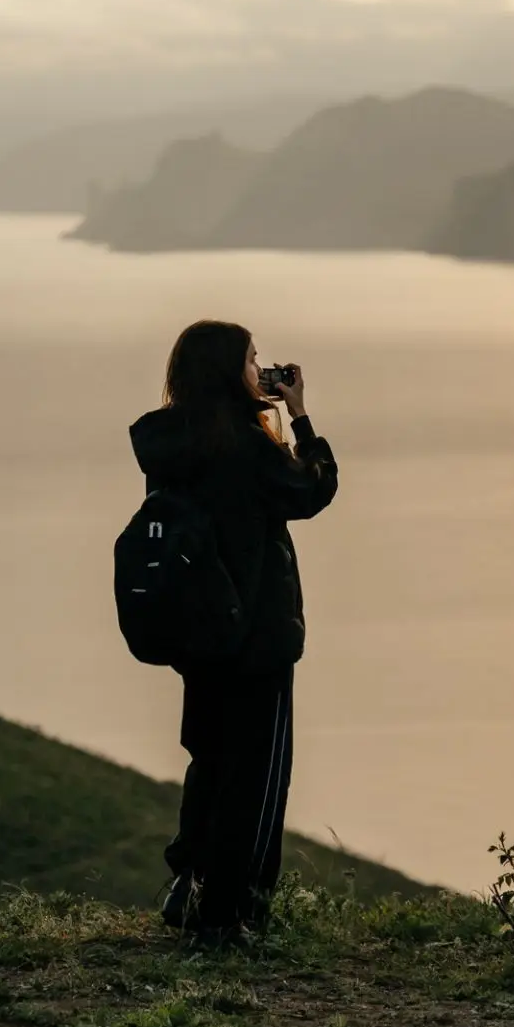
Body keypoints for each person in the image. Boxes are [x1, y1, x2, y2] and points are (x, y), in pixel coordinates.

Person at [128, 320, 338, 937]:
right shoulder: (246, 446)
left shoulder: (173, 443)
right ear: (229, 372)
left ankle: (187, 887)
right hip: (258, 639)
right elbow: (312, 489)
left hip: (200, 632)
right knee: (258, 778)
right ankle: (231, 913)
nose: (260, 371)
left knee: (212, 763)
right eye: (252, 361)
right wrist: (299, 416)